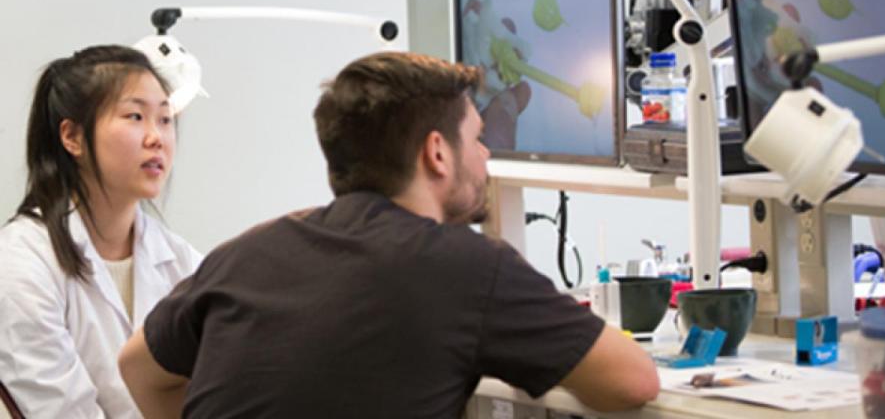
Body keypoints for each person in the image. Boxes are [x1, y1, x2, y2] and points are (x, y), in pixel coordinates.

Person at [119, 52, 659, 418]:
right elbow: (634, 382)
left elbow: (137, 366)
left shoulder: (248, 250)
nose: (487, 154)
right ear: (437, 153)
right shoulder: (465, 266)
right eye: (478, 137)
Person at [0, 45, 202, 418]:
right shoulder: (20, 262)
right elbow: (57, 409)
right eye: (135, 116)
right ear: (72, 137)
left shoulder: (183, 263)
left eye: (165, 118)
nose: (156, 137)